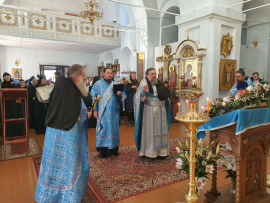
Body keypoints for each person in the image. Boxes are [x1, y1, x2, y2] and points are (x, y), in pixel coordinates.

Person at [35, 64, 92, 203]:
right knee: (69, 164)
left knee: (52, 164)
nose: (85, 79)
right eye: (84, 76)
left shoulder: (60, 87)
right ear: (77, 77)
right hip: (68, 135)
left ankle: (46, 196)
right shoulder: (73, 92)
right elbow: (78, 114)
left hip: (52, 134)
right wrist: (87, 115)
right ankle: (68, 197)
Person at [134, 68, 172, 159]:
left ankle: (162, 153)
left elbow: (163, 96)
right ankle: (150, 152)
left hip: (161, 111)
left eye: (155, 73)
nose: (154, 75)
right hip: (150, 112)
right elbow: (139, 98)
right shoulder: (144, 83)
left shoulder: (158, 83)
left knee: (162, 131)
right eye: (151, 74)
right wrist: (143, 92)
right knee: (150, 131)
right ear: (147, 75)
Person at [90, 68, 124, 158]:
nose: (109, 74)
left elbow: (123, 95)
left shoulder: (116, 84)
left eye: (111, 73)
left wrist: (120, 94)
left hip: (114, 112)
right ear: (103, 74)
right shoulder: (98, 84)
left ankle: (114, 149)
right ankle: (103, 152)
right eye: (107, 73)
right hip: (103, 112)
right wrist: (95, 110)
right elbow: (93, 97)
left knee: (113, 130)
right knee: (103, 130)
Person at [1, 72, 26, 138]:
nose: (7, 78)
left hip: (16, 103)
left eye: (8, 77)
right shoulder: (3, 84)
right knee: (10, 119)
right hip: (8, 104)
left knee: (18, 118)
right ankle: (10, 134)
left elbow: (19, 88)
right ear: (4, 78)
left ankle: (19, 133)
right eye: (6, 77)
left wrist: (13, 85)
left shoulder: (14, 82)